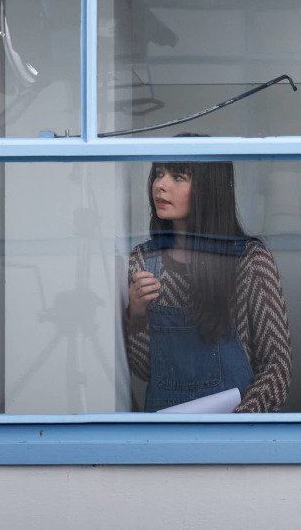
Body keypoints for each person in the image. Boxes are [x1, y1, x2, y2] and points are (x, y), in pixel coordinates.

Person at [123, 160, 289, 411]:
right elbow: (145, 370)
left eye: (178, 177)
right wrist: (135, 315)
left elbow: (278, 368)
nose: (160, 185)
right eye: (158, 174)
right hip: (165, 430)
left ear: (209, 188)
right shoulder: (143, 261)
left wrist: (234, 423)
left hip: (233, 429)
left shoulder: (250, 260)